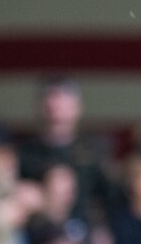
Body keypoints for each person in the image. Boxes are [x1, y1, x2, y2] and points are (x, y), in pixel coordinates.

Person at [17, 78, 106, 223]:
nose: (56, 109)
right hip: (37, 233)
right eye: (51, 102)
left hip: (83, 232)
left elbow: (108, 198)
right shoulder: (24, 153)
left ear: (77, 108)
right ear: (39, 107)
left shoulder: (93, 151)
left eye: (63, 103)